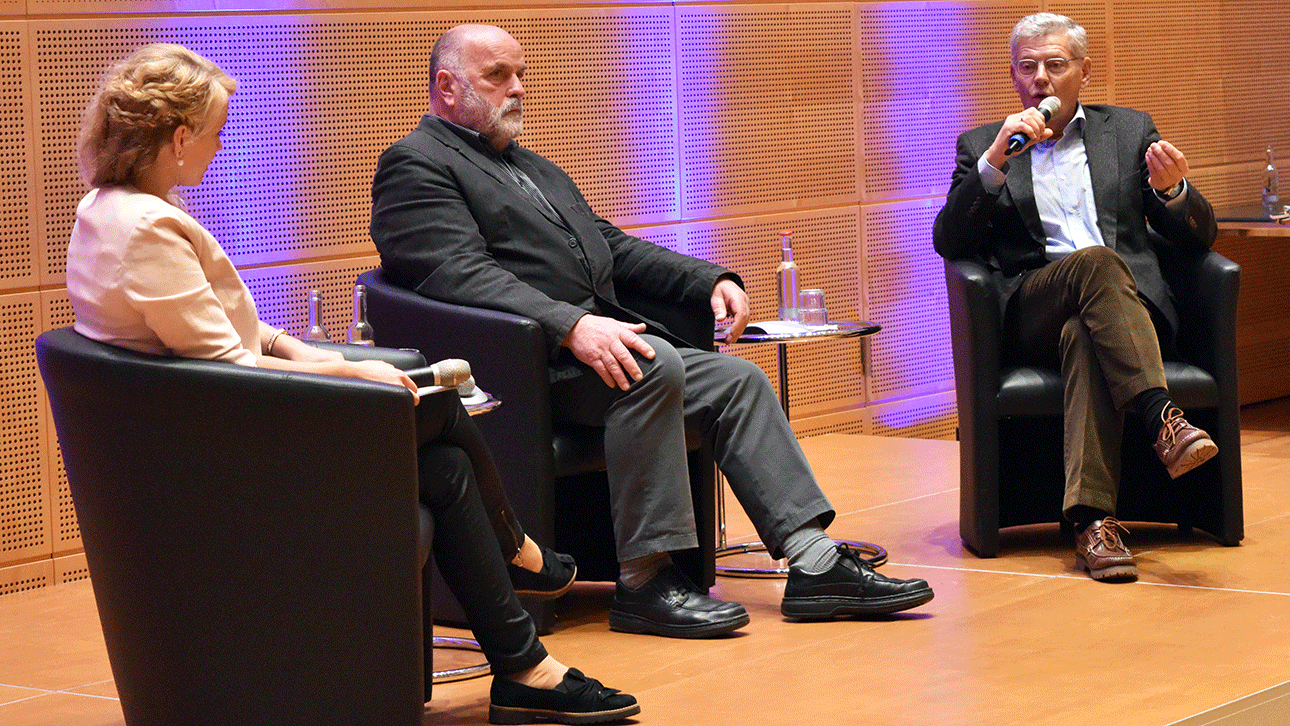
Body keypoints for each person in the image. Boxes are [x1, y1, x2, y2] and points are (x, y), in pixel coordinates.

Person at [67, 43, 637, 725]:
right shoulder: (146, 228)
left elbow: (231, 337)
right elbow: (229, 368)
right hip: (226, 455)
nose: (220, 149)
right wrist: (346, 372)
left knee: (448, 464)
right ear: (180, 135)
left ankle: (524, 665)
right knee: (438, 411)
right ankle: (521, 555)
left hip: (211, 427)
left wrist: (305, 352)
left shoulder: (109, 209)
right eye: (216, 133)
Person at [370, 24, 935, 637]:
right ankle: (644, 584)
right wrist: (571, 326)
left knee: (736, 380)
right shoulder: (416, 166)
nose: (517, 90)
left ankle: (814, 561)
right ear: (447, 87)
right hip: (520, 370)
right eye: (497, 76)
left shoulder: (529, 165)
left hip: (592, 354)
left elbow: (607, 246)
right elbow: (457, 275)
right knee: (655, 364)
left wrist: (707, 280)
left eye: (521, 74)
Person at [932, 13, 1220, 582]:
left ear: (1084, 72)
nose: (1041, 78)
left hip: (1127, 312)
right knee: (1093, 262)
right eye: (1028, 66)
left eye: (1055, 65)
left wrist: (1175, 192)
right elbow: (950, 241)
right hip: (1032, 310)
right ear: (1014, 76)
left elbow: (1199, 238)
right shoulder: (984, 145)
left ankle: (1093, 524)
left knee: (1087, 331)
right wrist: (994, 165)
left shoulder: (1130, 132)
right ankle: (1163, 416)